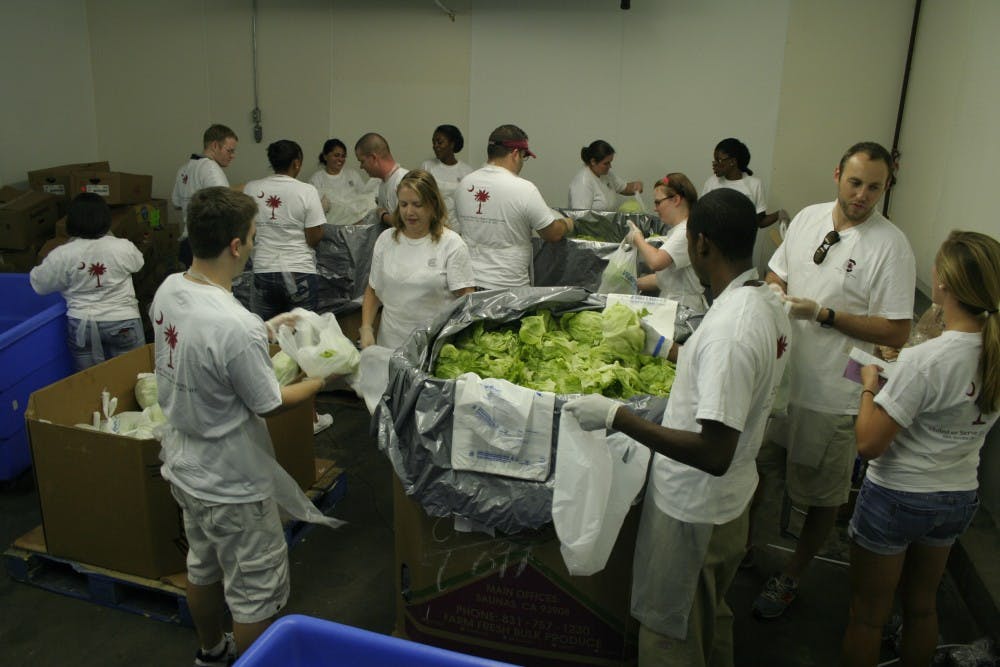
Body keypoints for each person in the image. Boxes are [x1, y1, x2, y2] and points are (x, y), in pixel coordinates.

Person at [564, 188, 791, 667]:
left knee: (672, 632)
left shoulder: (731, 327)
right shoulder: (762, 302)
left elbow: (714, 452)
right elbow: (726, 380)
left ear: (700, 243)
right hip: (728, 506)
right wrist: (665, 350)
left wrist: (616, 416)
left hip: (695, 510)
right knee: (711, 618)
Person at [152, 186, 340, 665]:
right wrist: (321, 378)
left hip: (184, 465)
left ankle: (211, 652)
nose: (254, 245)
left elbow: (208, 348)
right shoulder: (236, 325)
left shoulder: (170, 289)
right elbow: (271, 403)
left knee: (204, 566)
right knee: (255, 591)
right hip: (232, 482)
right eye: (253, 236)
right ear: (236, 245)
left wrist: (269, 326)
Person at [752, 141, 916, 620]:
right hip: (781, 379)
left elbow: (896, 329)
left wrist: (824, 314)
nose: (863, 195)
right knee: (755, 468)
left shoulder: (891, 246)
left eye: (874, 187)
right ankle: (741, 547)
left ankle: (793, 574)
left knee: (821, 495)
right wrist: (777, 291)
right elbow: (776, 273)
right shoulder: (807, 219)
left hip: (834, 391)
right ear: (837, 173)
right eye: (855, 182)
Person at [842, 231, 999, 667]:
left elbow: (869, 444)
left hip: (898, 496)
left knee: (868, 617)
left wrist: (870, 388)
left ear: (943, 284)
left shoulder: (927, 360)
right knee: (922, 606)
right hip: (957, 496)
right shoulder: (994, 353)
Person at [243, 139, 333, 435]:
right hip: (299, 273)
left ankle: (267, 412)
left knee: (266, 343)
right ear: (297, 162)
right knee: (305, 344)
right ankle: (308, 417)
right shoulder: (306, 191)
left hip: (263, 271)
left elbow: (249, 230)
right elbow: (314, 237)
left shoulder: (252, 188)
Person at [360, 169, 475, 350]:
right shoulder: (385, 240)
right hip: (389, 346)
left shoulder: (451, 244)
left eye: (417, 204)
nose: (409, 212)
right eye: (404, 204)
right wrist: (366, 327)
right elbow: (373, 290)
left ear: (433, 205)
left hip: (432, 348)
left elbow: (467, 300)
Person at [30, 192, 145, 371]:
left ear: (71, 221)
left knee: (90, 384)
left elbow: (38, 284)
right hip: (122, 320)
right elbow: (139, 263)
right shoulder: (122, 247)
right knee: (132, 379)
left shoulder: (63, 254)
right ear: (106, 218)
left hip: (82, 324)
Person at [454, 124, 574, 290]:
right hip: (508, 288)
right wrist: (566, 223)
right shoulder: (524, 189)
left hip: (468, 284)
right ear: (516, 154)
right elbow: (552, 234)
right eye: (524, 157)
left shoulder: (464, 184)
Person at [702, 138, 788, 278]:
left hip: (740, 250)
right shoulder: (711, 183)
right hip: (714, 247)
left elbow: (759, 221)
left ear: (732, 162)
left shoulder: (754, 185)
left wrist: (779, 214)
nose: (714, 164)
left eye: (719, 160)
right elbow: (702, 216)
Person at [629, 173, 707, 313]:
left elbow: (656, 262)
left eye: (658, 202)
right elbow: (665, 278)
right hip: (675, 304)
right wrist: (632, 283)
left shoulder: (685, 231)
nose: (655, 208)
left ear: (676, 199)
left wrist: (637, 237)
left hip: (684, 308)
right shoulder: (678, 230)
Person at [171, 124, 239, 267]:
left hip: (187, 242)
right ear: (215, 145)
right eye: (229, 150)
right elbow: (225, 206)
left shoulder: (184, 169)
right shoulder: (210, 168)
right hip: (207, 245)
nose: (232, 156)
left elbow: (176, 203)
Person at [308, 138, 373, 225]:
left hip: (355, 224)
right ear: (325, 156)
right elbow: (311, 209)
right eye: (336, 155)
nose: (340, 159)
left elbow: (365, 198)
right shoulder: (317, 179)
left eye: (343, 156)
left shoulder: (352, 175)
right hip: (331, 227)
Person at [421, 124, 474, 223]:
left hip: (458, 228)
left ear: (452, 144)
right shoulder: (427, 167)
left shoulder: (467, 171)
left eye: (440, 142)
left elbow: (469, 203)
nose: (435, 146)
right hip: (433, 226)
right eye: (434, 142)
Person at [568, 139, 643, 210]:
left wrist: (635, 186)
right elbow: (580, 217)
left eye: (610, 162)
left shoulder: (606, 174)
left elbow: (624, 188)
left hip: (606, 223)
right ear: (593, 161)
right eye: (606, 163)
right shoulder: (583, 182)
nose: (610, 166)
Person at [354, 132, 408, 227]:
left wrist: (382, 215)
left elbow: (407, 224)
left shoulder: (404, 181)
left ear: (373, 158)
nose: (361, 167)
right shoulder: (383, 184)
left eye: (362, 161)